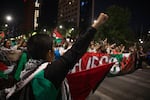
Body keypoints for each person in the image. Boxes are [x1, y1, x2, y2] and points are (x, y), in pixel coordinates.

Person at [7, 13, 109, 100]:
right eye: (52, 48)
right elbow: (76, 50)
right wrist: (97, 24)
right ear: (49, 53)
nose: (54, 50)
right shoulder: (50, 72)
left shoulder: (26, 70)